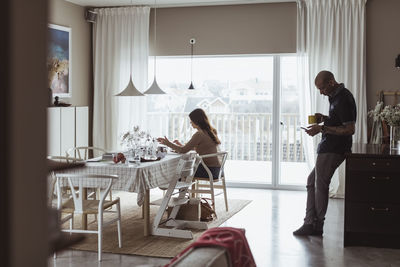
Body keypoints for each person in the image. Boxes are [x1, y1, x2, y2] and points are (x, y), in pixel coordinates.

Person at [293, 70, 356, 236]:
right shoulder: (335, 97)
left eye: (322, 88)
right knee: (311, 181)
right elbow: (339, 121)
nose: (321, 92)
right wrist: (324, 118)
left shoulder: (343, 98)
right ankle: (310, 222)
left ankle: (316, 225)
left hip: (334, 149)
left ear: (331, 82)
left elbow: (350, 129)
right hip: (329, 147)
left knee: (320, 185)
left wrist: (321, 128)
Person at [157, 108, 222, 179]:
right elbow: (202, 148)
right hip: (218, 170)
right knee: (184, 168)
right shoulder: (211, 131)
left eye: (191, 121)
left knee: (177, 170)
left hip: (210, 171)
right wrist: (180, 145)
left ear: (196, 121)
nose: (190, 123)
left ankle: (179, 188)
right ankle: (183, 188)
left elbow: (183, 150)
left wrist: (168, 143)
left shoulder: (199, 134)